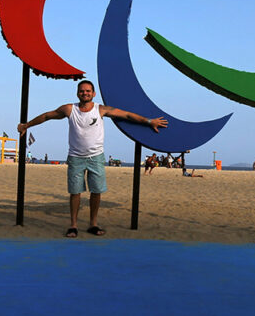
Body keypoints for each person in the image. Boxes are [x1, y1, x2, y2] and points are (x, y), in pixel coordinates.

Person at [18, 79, 167, 237]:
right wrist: (27, 125)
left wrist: (149, 121)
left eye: (88, 91)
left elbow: (127, 115)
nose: (85, 93)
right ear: (77, 93)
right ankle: (73, 225)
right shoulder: (69, 109)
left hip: (96, 157)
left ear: (93, 94)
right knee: (75, 193)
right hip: (76, 157)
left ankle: (93, 224)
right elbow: (48, 115)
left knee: (96, 191)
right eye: (82, 91)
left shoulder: (100, 109)